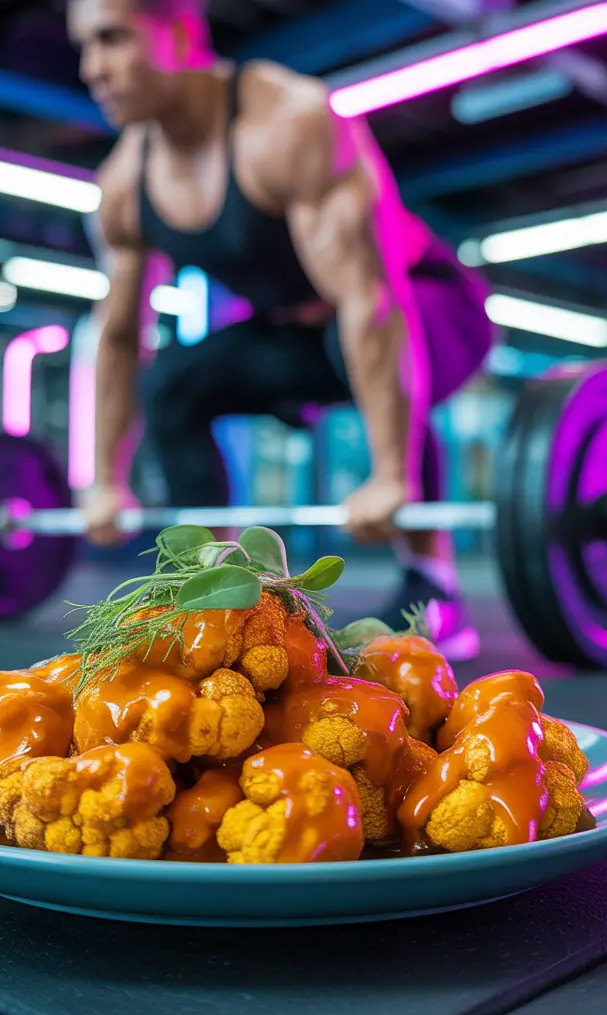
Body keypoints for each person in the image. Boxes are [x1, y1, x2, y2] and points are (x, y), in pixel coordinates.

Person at [69, 0, 494, 659]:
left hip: (425, 303)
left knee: (363, 357)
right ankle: (217, 583)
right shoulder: (125, 184)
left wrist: (389, 476)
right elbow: (121, 337)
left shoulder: (287, 121)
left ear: (181, 33)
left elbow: (370, 302)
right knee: (175, 384)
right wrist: (104, 478)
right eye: (83, 47)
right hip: (299, 330)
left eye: (113, 39)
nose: (93, 69)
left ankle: (431, 583)